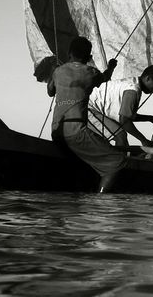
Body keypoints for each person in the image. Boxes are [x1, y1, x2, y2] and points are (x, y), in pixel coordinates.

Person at [46, 36, 125, 192]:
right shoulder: (91, 72)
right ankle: (99, 202)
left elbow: (50, 91)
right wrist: (111, 67)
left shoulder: (58, 71)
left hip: (56, 131)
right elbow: (105, 78)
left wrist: (52, 72)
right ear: (89, 57)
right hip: (76, 132)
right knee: (117, 161)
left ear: (69, 54)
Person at [89, 64, 153, 147]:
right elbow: (124, 120)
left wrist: (150, 118)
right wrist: (144, 141)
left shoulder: (134, 83)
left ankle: (123, 157)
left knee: (122, 136)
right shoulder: (133, 90)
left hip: (96, 109)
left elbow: (127, 116)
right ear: (148, 78)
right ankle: (120, 159)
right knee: (120, 136)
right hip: (89, 108)